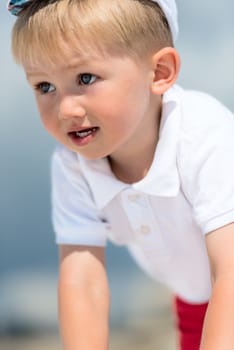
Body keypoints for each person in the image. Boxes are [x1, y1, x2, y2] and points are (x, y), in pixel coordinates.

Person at [7, 0, 234, 349]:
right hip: (195, 301)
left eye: (85, 78)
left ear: (159, 73)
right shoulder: (73, 163)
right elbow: (83, 279)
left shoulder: (204, 136)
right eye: (44, 86)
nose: (66, 108)